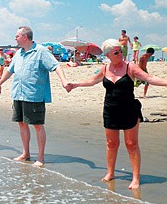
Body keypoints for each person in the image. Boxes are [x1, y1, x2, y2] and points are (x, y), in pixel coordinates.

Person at [66, 39, 167, 189]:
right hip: (110, 110)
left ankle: (135, 178)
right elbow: (92, 80)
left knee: (131, 144)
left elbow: (149, 78)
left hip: (129, 110)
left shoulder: (130, 67)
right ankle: (110, 173)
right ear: (108, 55)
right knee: (111, 144)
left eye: (121, 51)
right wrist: (75, 85)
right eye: (116, 52)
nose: (120, 54)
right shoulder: (105, 68)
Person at [0, 26, 68, 167]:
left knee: (37, 125)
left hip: (34, 95)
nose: (15, 38)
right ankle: (26, 153)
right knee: (22, 124)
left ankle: (40, 158)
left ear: (25, 37)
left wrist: (64, 81)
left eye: (17, 36)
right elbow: (10, 70)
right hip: (18, 94)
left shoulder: (41, 51)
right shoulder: (18, 53)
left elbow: (56, 66)